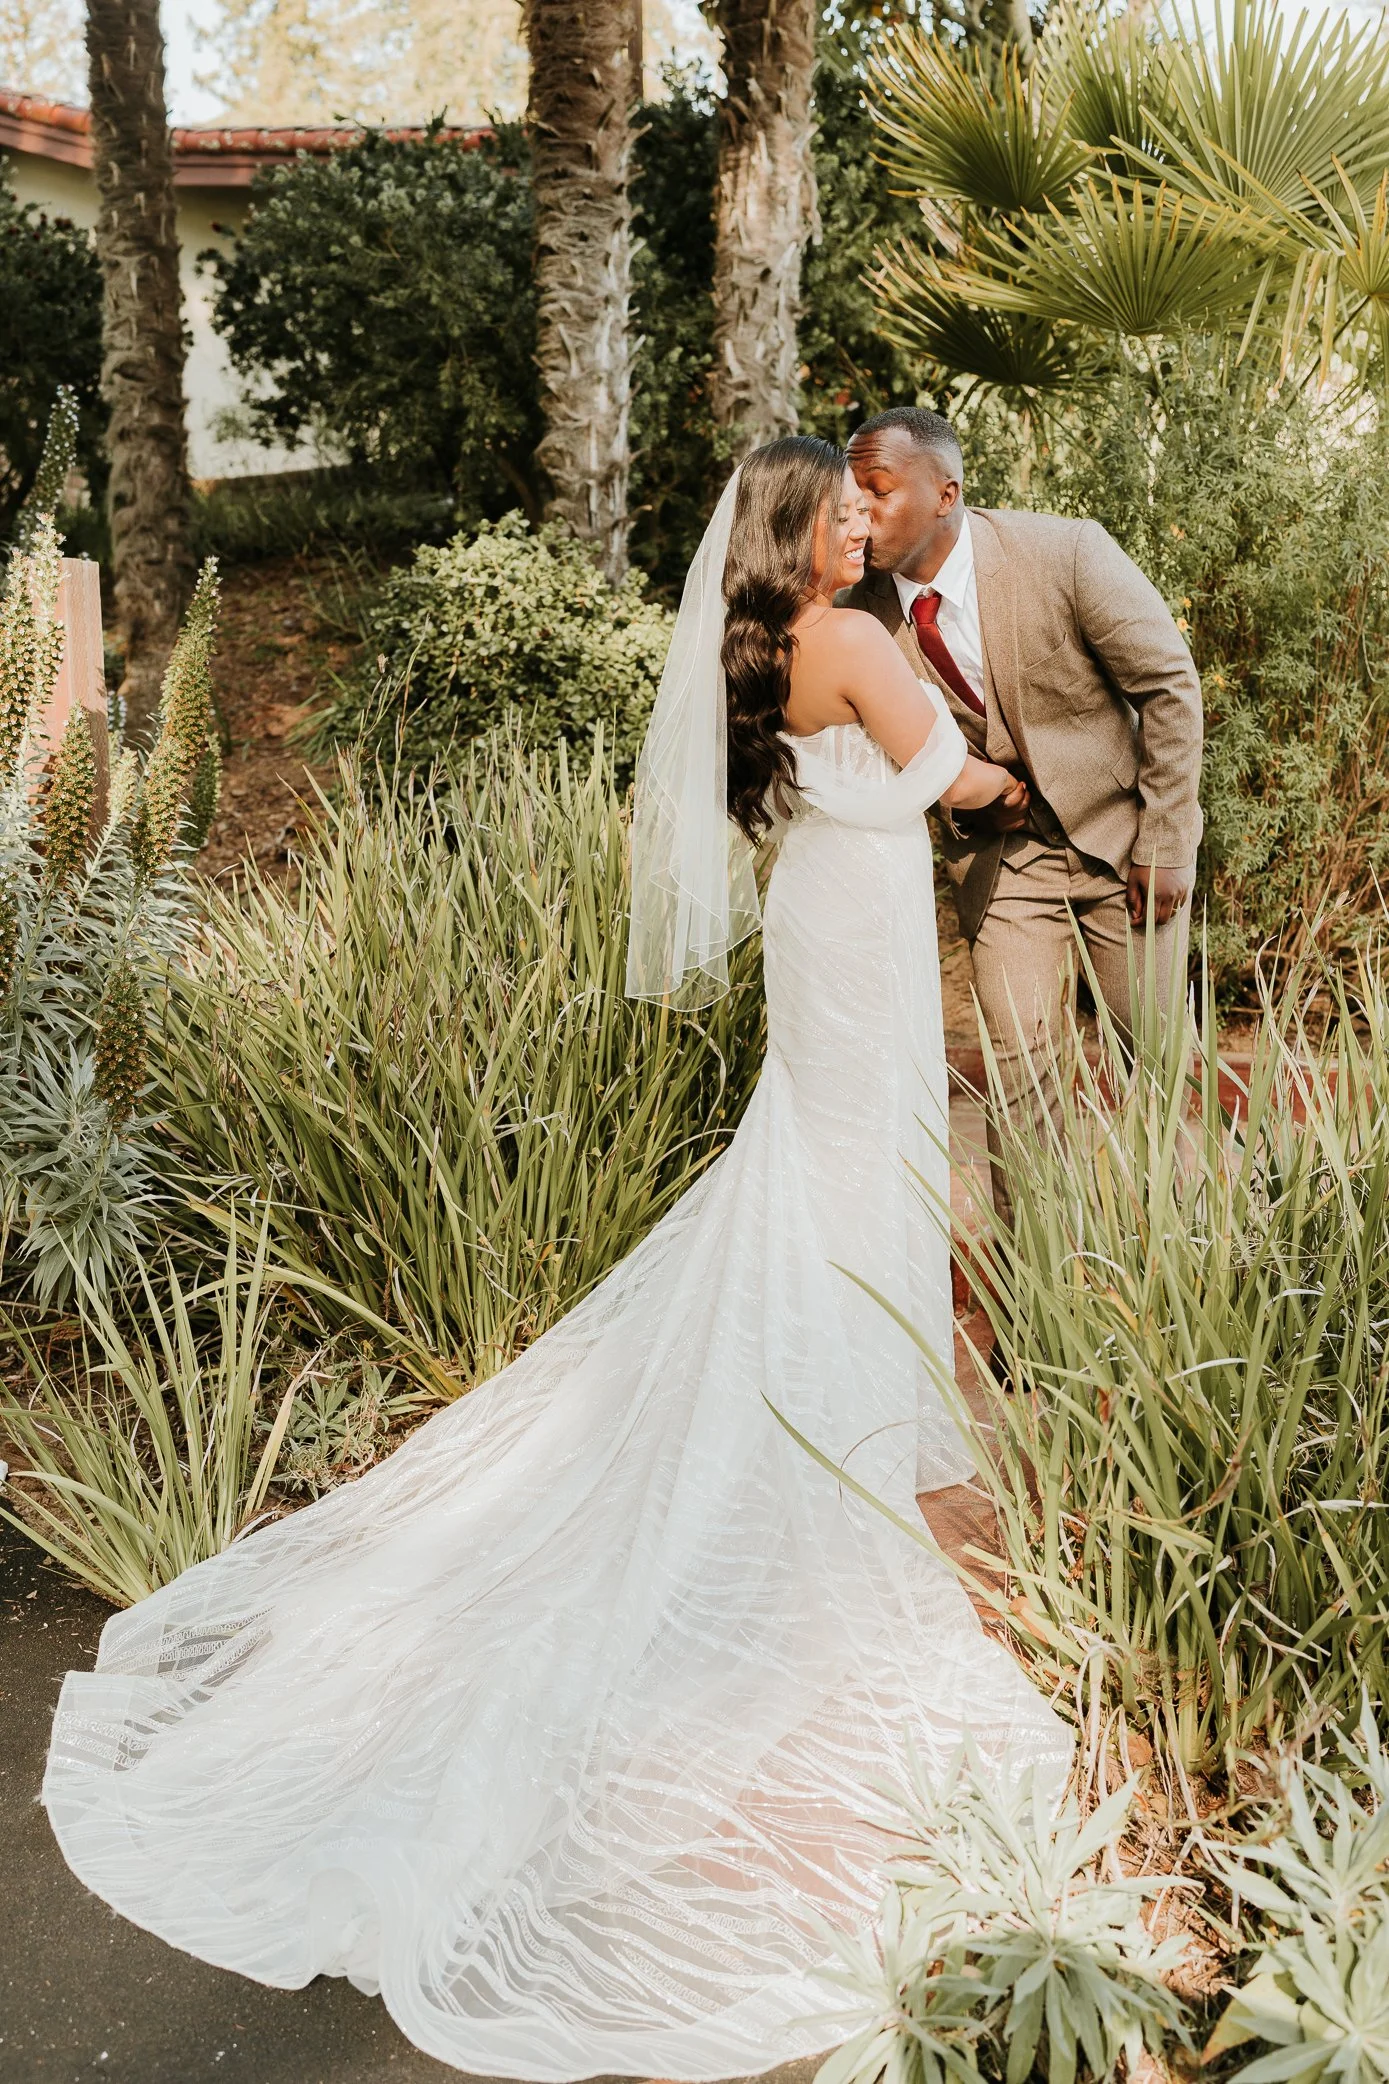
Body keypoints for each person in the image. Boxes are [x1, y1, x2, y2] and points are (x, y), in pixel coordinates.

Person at [44, 439, 1067, 2083]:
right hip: (870, 930)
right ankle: (851, 1406)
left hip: (823, 916)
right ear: (805, 530)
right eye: (846, 506)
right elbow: (942, 767)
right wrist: (1013, 784)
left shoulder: (766, 649)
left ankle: (841, 1377)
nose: (869, 519)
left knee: (805, 1163)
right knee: (857, 1172)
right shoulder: (860, 639)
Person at [842, 407, 1203, 1218]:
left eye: (878, 491)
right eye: (851, 497)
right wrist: (954, 789)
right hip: (1001, 864)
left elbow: (1168, 685)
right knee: (1018, 1074)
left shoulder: (1063, 551)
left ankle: (1196, 1259)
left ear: (946, 493)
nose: (860, 515)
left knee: (1156, 1058)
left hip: (1123, 846)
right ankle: (1032, 1295)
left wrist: (1166, 839)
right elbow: (859, 739)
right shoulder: (856, 612)